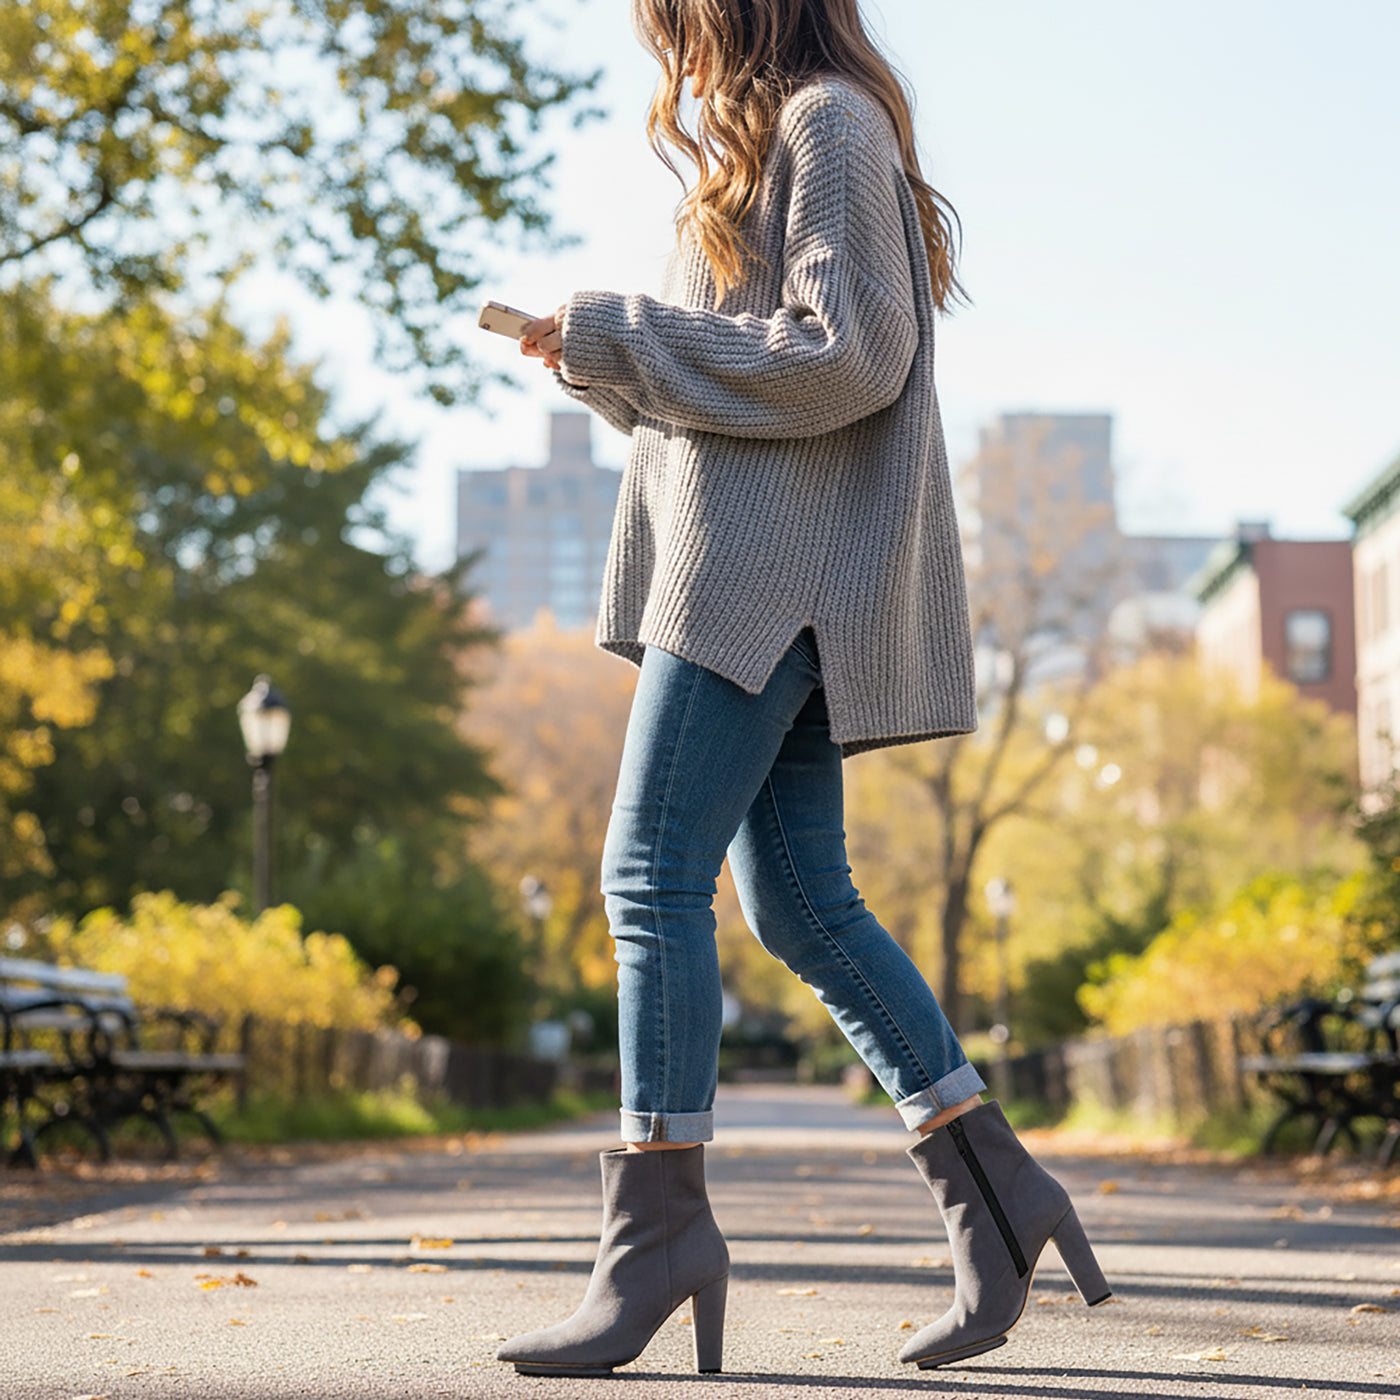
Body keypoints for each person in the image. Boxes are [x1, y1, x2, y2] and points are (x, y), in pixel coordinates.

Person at [497, 0, 1110, 1378]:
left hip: (762, 584)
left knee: (650, 876)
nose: (665, 42)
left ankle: (658, 1237)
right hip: (766, 574)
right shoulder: (774, 143)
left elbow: (846, 353)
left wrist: (623, 334)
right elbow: (747, 369)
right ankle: (997, 1193)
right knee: (801, 905)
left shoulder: (829, 124)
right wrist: (598, 355)